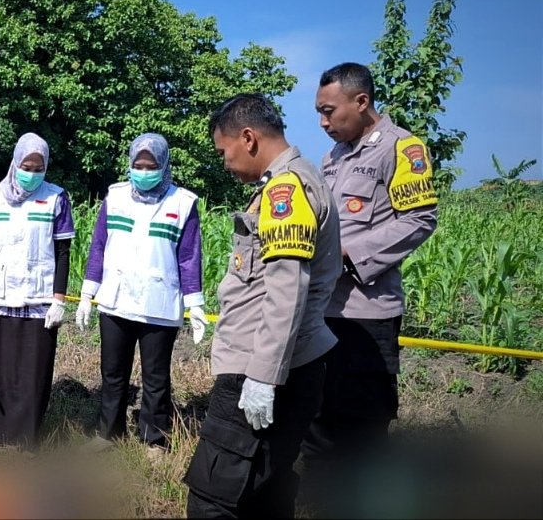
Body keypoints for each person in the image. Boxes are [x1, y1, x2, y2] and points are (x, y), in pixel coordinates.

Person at [183, 94, 341, 518]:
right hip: (279, 364)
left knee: (214, 496)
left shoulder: (286, 188)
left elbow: (287, 287)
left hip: (260, 368)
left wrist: (263, 378)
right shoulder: (293, 180)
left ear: (248, 138)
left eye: (223, 151)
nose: (224, 163)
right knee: (264, 492)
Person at [299, 63, 439, 513]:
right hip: (324, 310)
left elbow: (419, 220)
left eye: (328, 111)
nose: (323, 122)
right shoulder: (333, 158)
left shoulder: (402, 149)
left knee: (363, 425)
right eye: (318, 113)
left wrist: (347, 255)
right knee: (319, 418)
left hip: (367, 312)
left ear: (361, 102)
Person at [74, 132, 207, 459]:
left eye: (150, 166)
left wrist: (197, 305)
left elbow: (189, 257)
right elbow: (98, 247)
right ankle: (108, 431)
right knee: (113, 372)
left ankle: (154, 439)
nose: (143, 171)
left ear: (163, 166)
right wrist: (87, 294)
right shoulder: (115, 197)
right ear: (130, 164)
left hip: (159, 304)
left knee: (156, 376)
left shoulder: (182, 203)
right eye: (138, 165)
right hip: (116, 299)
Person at [0, 132, 76, 448]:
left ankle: (24, 436)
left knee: (33, 367)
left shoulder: (56, 198)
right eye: (26, 165)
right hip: (0, 293)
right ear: (15, 163)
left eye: (38, 168)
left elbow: (63, 251)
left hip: (38, 295)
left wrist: (59, 299)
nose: (31, 173)